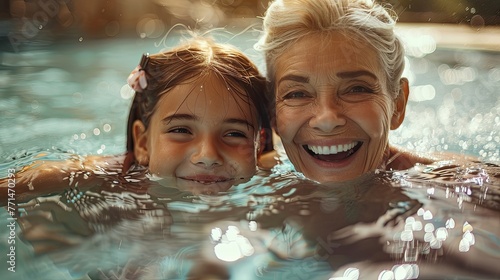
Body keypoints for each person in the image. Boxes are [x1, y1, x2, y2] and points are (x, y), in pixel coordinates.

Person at [0, 35, 273, 203]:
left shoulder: (276, 176)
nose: (208, 155)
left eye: (234, 134)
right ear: (143, 143)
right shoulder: (109, 176)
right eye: (181, 129)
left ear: (258, 145)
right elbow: (17, 186)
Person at [256, 0, 446, 183]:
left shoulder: (453, 185)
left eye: (356, 89)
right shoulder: (248, 178)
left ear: (397, 105)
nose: (327, 120)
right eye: (297, 94)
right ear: (273, 114)